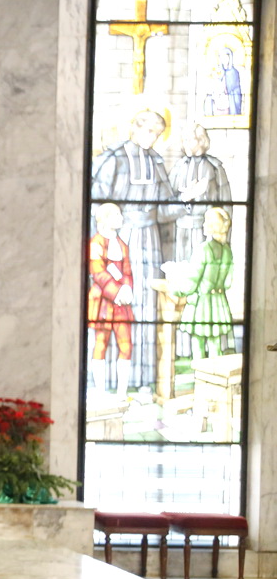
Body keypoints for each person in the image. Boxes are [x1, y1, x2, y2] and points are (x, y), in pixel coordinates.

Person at [90, 109, 207, 397]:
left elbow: (163, 209)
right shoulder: (113, 159)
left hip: (150, 241)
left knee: (146, 305)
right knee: (117, 307)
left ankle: (143, 379)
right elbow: (96, 204)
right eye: (149, 131)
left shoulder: (155, 161)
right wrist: (106, 234)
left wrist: (186, 198)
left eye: (157, 134)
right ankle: (111, 383)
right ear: (135, 128)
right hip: (120, 238)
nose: (152, 138)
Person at [174, 207, 235, 361]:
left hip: (201, 304)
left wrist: (175, 287)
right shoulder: (227, 251)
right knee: (215, 344)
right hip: (219, 303)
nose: (203, 224)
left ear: (213, 226)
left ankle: (199, 375)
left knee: (198, 343)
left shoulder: (203, 250)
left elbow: (191, 282)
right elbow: (228, 282)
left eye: (207, 221)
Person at [88, 202, 135, 398]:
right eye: (116, 215)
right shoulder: (96, 243)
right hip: (103, 303)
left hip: (121, 304)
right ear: (105, 220)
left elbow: (127, 271)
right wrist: (117, 292)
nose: (121, 218)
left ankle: (122, 393)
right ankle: (100, 391)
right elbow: (98, 273)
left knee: (126, 346)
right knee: (101, 344)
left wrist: (127, 289)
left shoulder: (122, 244)